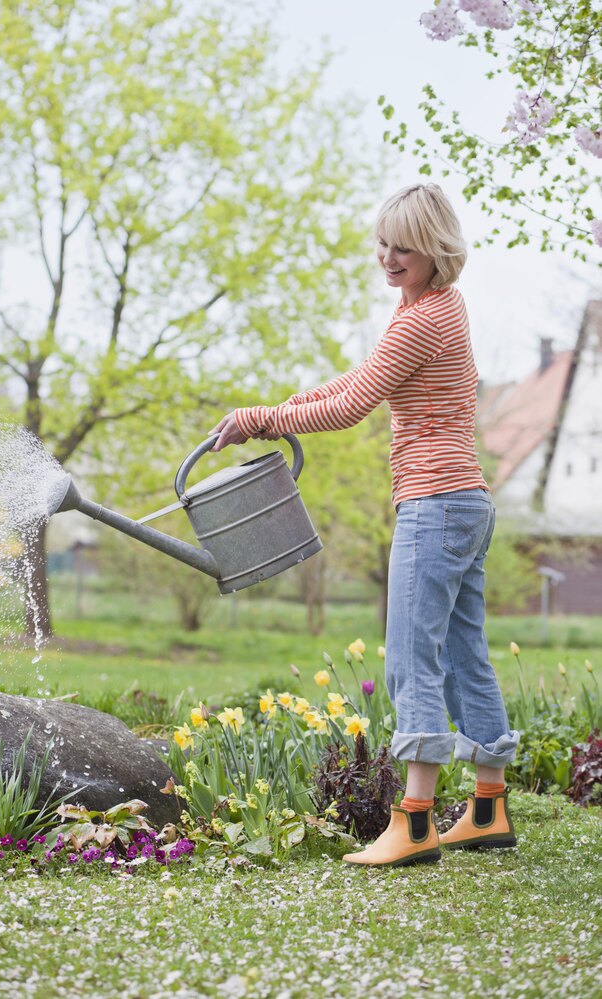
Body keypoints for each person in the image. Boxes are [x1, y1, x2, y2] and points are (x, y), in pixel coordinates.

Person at [209, 183, 520, 868]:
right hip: (467, 501)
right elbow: (360, 378)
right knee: (467, 655)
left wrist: (262, 419)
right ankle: (488, 808)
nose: (387, 256)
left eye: (402, 246)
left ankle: (412, 824)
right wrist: (291, 401)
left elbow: (351, 405)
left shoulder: (419, 320)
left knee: (411, 658)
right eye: (382, 242)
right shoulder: (438, 306)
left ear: (436, 247)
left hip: (434, 506)